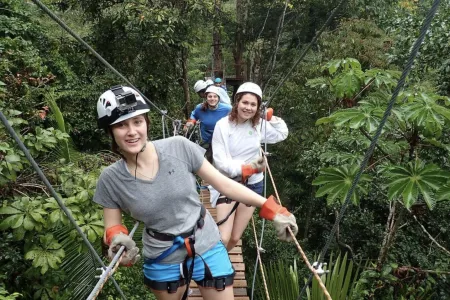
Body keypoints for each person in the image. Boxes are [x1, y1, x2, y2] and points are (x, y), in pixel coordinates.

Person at [94, 85, 298, 300]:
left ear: (146, 123)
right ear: (110, 131)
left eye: (137, 122)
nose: (132, 131)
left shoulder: (179, 147)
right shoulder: (110, 178)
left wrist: (273, 209)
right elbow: (112, 225)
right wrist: (117, 240)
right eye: (121, 125)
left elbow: (224, 184)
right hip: (163, 254)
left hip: (206, 241)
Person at [211, 82, 289, 252]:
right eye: (245, 102)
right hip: (228, 183)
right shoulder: (223, 126)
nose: (248, 107)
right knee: (223, 236)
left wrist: (271, 118)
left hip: (253, 184)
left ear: (258, 107)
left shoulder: (258, 125)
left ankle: (221, 261)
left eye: (253, 104)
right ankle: (213, 267)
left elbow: (282, 134)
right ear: (237, 102)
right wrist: (248, 168)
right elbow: (220, 162)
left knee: (235, 237)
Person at [185, 85, 231, 163]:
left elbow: (235, 119)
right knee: (207, 160)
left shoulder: (227, 109)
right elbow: (194, 116)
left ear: (218, 98)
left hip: (220, 139)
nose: (212, 99)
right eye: (210, 96)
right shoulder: (200, 108)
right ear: (206, 98)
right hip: (205, 140)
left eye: (215, 96)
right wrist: (189, 124)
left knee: (220, 161)